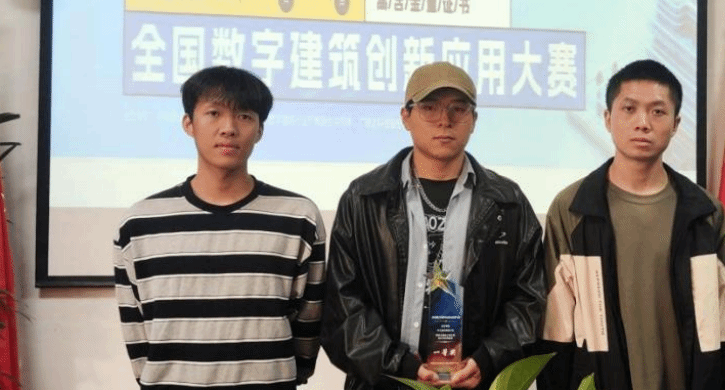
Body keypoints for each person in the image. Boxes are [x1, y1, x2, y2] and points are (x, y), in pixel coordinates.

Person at [321, 61, 546, 390]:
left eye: (458, 108)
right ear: (405, 116)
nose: (445, 120)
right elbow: (342, 308)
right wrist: (400, 366)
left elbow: (530, 300)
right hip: (385, 383)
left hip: (473, 382)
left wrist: (487, 360)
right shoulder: (365, 198)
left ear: (474, 120)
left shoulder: (508, 202)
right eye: (429, 108)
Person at [114, 66, 327, 389]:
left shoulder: (298, 218)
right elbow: (137, 331)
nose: (228, 128)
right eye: (214, 113)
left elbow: (308, 324)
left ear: (260, 130)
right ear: (189, 124)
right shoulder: (140, 223)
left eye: (244, 116)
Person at [538, 59, 725, 390]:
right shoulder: (572, 209)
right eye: (629, 109)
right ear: (608, 118)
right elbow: (555, 330)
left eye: (658, 112)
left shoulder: (705, 213)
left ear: (676, 124)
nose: (643, 123)